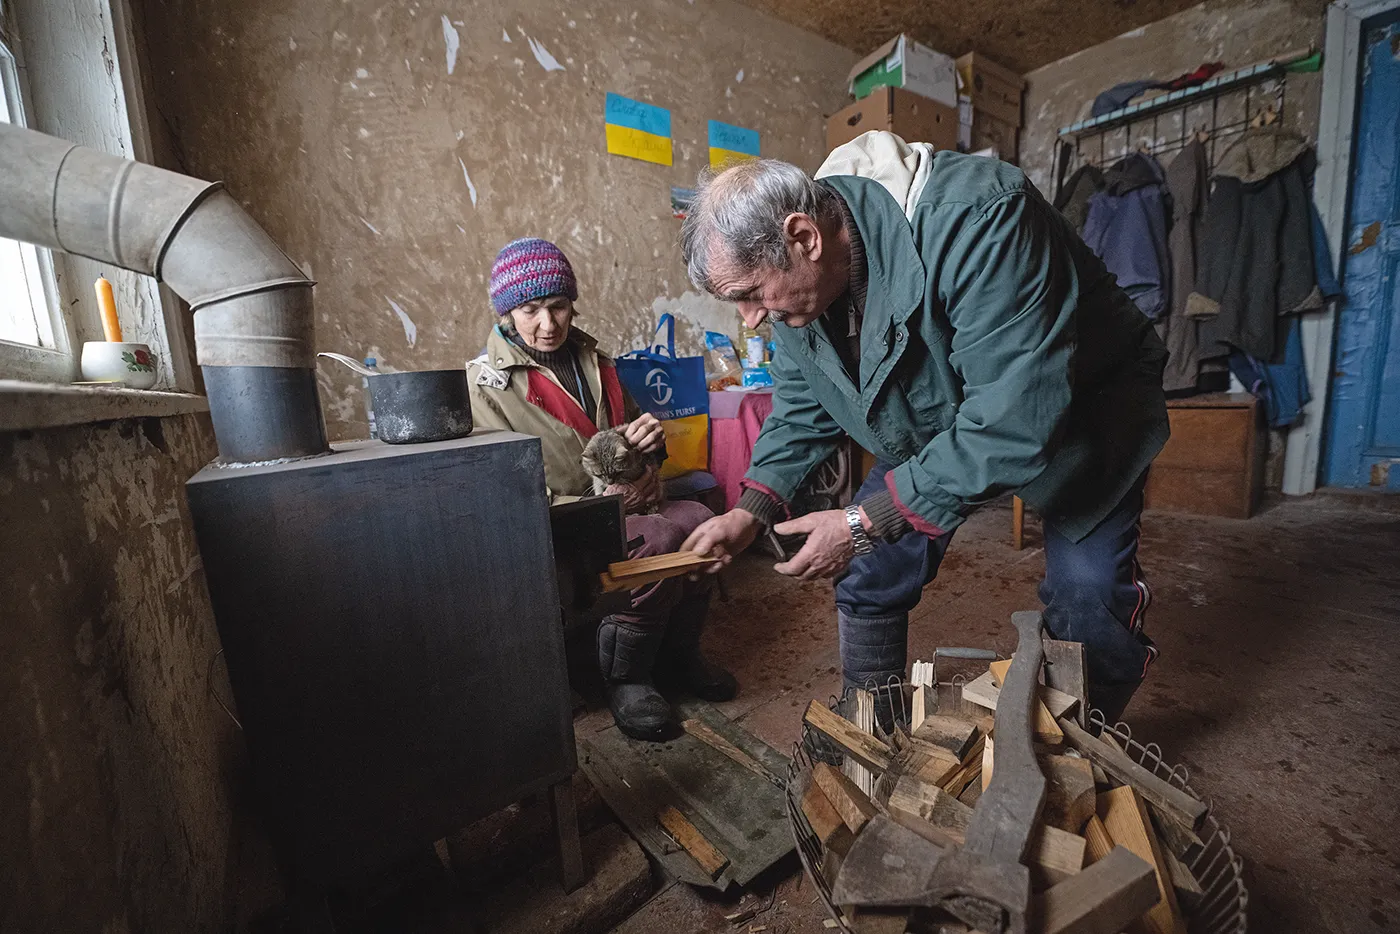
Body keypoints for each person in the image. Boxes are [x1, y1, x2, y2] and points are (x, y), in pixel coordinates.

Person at [679, 133, 1169, 722]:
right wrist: (750, 511)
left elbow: (1011, 420)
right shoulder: (799, 284)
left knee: (1088, 601)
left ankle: (1081, 748)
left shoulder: (981, 219)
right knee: (870, 563)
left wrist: (863, 518)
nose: (751, 320)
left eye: (750, 295)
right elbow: (803, 401)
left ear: (803, 236)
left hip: (1082, 407)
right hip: (936, 408)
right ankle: (871, 726)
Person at [468, 237, 736, 740]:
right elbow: (504, 495)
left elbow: (637, 444)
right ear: (506, 314)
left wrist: (649, 447)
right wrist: (596, 507)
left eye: (558, 306)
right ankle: (626, 677)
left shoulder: (599, 362)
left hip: (626, 508)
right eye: (530, 310)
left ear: (572, 304)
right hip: (559, 524)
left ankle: (679, 654)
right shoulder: (487, 386)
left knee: (702, 523)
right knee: (654, 539)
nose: (548, 325)